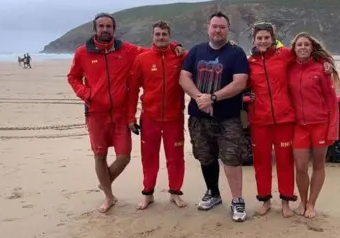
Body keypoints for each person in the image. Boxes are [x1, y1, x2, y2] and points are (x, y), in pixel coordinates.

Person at [67, 12, 183, 213]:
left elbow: (156, 49)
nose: (105, 30)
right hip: (96, 113)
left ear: (114, 29)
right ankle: (110, 196)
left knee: (124, 157)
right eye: (101, 26)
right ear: (95, 29)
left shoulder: (127, 50)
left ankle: (107, 183)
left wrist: (174, 46)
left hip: (122, 114)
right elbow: (73, 77)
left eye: (108, 26)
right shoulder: (82, 52)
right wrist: (87, 93)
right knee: (100, 155)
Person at [179, 11, 249, 222]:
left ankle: (237, 200)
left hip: (228, 117)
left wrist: (214, 98)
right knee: (205, 156)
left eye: (222, 27)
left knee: (231, 158)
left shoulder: (236, 53)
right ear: (208, 27)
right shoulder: (196, 51)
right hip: (198, 116)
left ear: (228, 30)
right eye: (214, 26)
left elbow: (240, 82)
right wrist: (200, 98)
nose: (217, 30)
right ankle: (213, 193)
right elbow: (184, 77)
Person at [127, 20, 187, 210]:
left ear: (169, 37)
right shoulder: (142, 59)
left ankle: (175, 193)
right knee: (149, 157)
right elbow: (133, 90)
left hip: (174, 118)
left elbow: (202, 56)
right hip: (150, 118)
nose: (161, 37)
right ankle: (148, 194)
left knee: (175, 158)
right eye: (157, 34)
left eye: (164, 34)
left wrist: (177, 46)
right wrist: (131, 117)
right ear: (152, 36)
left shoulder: (180, 57)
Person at [246, 22, 297, 217]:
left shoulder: (285, 55)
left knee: (285, 161)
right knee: (262, 162)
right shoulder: (250, 62)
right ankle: (265, 200)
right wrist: (247, 96)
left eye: (266, 37)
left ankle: (286, 202)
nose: (263, 41)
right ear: (254, 40)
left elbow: (307, 55)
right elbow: (241, 83)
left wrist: (325, 63)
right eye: (259, 38)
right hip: (260, 120)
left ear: (273, 38)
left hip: (284, 119)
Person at [287, 32, 340, 218]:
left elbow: (332, 102)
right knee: (300, 166)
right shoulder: (290, 68)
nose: (302, 47)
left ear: (312, 48)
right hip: (299, 126)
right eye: (299, 45)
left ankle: (311, 204)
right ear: (294, 48)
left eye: (306, 45)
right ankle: (302, 200)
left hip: (320, 125)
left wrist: (333, 129)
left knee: (318, 164)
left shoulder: (321, 70)